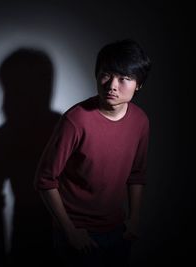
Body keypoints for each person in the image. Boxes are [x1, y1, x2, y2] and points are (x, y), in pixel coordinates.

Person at [34, 39, 151, 267]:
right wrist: (70, 231)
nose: (112, 85)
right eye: (106, 74)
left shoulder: (140, 121)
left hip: (119, 231)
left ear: (138, 84)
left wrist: (134, 219)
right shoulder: (75, 120)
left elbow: (137, 174)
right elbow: (44, 180)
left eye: (124, 78)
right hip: (80, 233)